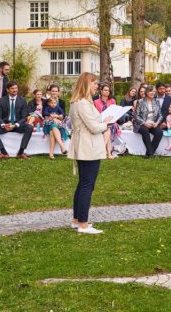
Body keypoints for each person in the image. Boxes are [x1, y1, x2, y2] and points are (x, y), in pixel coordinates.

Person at [68, 72, 113, 234]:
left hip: (85, 145)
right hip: (88, 147)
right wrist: (106, 123)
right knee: (87, 185)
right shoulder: (82, 104)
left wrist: (101, 121)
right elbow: (94, 127)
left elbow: (92, 122)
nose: (97, 86)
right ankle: (83, 224)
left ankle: (76, 220)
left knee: (83, 184)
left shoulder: (81, 102)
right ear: (87, 84)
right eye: (94, 83)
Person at [0, 80, 33, 160]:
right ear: (7, 90)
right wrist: (3, 125)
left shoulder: (22, 100)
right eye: (12, 88)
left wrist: (15, 125)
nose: (15, 90)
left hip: (17, 125)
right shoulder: (2, 100)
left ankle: (21, 152)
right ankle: (3, 153)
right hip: (6, 125)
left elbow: (24, 117)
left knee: (29, 127)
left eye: (16, 88)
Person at [134, 85, 163, 157]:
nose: (153, 93)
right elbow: (136, 116)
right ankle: (150, 153)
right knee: (145, 131)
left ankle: (149, 153)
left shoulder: (156, 101)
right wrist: (144, 123)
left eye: (154, 91)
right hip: (141, 123)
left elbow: (160, 115)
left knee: (159, 132)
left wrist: (157, 123)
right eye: (151, 91)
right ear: (146, 92)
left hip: (153, 123)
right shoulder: (140, 102)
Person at [94, 84, 119, 159]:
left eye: (108, 90)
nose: (107, 92)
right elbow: (95, 115)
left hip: (112, 122)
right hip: (100, 122)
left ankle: (103, 151)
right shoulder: (96, 102)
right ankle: (108, 154)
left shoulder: (112, 101)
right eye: (105, 90)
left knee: (108, 129)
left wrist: (110, 119)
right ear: (101, 91)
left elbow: (115, 113)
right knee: (107, 129)